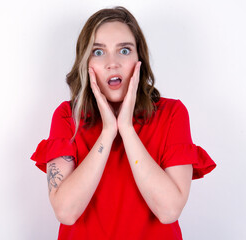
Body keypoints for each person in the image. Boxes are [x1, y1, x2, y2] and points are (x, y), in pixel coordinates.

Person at [31, 6, 216, 240]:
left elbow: (169, 210)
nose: (112, 63)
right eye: (98, 52)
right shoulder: (67, 116)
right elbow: (66, 212)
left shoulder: (172, 114)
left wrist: (126, 129)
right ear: (85, 62)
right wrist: (108, 132)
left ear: (140, 59)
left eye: (124, 50)